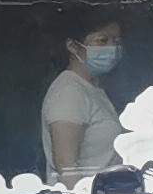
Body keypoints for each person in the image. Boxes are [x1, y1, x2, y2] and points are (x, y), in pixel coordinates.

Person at [41, 11, 124, 178]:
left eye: (116, 41)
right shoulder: (69, 92)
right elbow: (66, 168)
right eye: (102, 40)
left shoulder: (92, 89)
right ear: (73, 46)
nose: (112, 48)